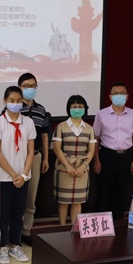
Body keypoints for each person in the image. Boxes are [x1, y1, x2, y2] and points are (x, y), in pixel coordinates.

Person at [0, 86, 36, 264]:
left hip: (23, 177)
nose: (15, 104)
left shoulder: (28, 122)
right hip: (4, 177)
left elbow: (31, 151)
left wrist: (23, 175)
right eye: (11, 100)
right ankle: (3, 247)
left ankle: (15, 245)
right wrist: (13, 174)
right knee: (4, 214)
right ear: (5, 101)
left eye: (18, 101)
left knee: (19, 213)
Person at [93, 82, 133, 220]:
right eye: (116, 93)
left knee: (121, 190)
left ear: (127, 96)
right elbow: (95, 138)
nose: (119, 96)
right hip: (107, 155)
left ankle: (117, 221)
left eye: (122, 93)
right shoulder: (101, 114)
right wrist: (97, 159)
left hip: (126, 156)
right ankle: (100, 222)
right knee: (104, 190)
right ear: (110, 96)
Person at [17, 72, 50, 247]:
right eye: (26, 86)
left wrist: (45, 158)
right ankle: (13, 232)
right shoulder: (14, 108)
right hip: (16, 159)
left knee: (31, 199)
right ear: (20, 87)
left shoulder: (41, 110)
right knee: (16, 197)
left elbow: (44, 136)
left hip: (36, 157)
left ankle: (26, 231)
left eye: (33, 86)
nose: (30, 89)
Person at [52, 95, 96, 225]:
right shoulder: (61, 126)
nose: (77, 109)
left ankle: (75, 229)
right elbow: (57, 149)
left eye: (80, 106)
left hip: (82, 169)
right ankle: (62, 227)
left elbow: (91, 151)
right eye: (74, 106)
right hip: (64, 168)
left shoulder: (89, 128)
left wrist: (83, 166)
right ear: (69, 108)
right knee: (63, 202)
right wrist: (68, 166)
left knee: (78, 202)